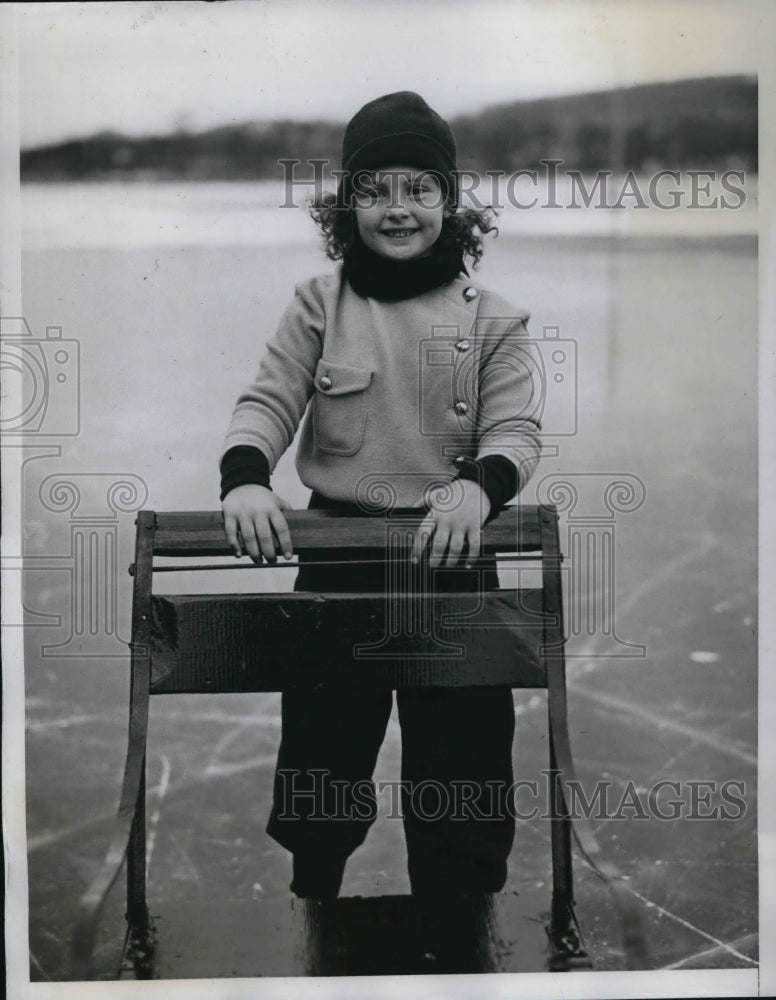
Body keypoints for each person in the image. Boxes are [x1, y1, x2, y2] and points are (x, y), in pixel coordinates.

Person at [219, 92, 542, 902]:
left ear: (450, 200)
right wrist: (247, 478)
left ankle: (460, 917)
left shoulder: (496, 321)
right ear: (347, 203)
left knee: (463, 767)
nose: (398, 209)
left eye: (419, 188)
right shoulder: (317, 305)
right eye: (376, 190)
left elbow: (517, 433)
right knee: (322, 757)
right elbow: (266, 402)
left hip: (453, 563)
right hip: (339, 560)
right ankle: (315, 894)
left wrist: (476, 493)